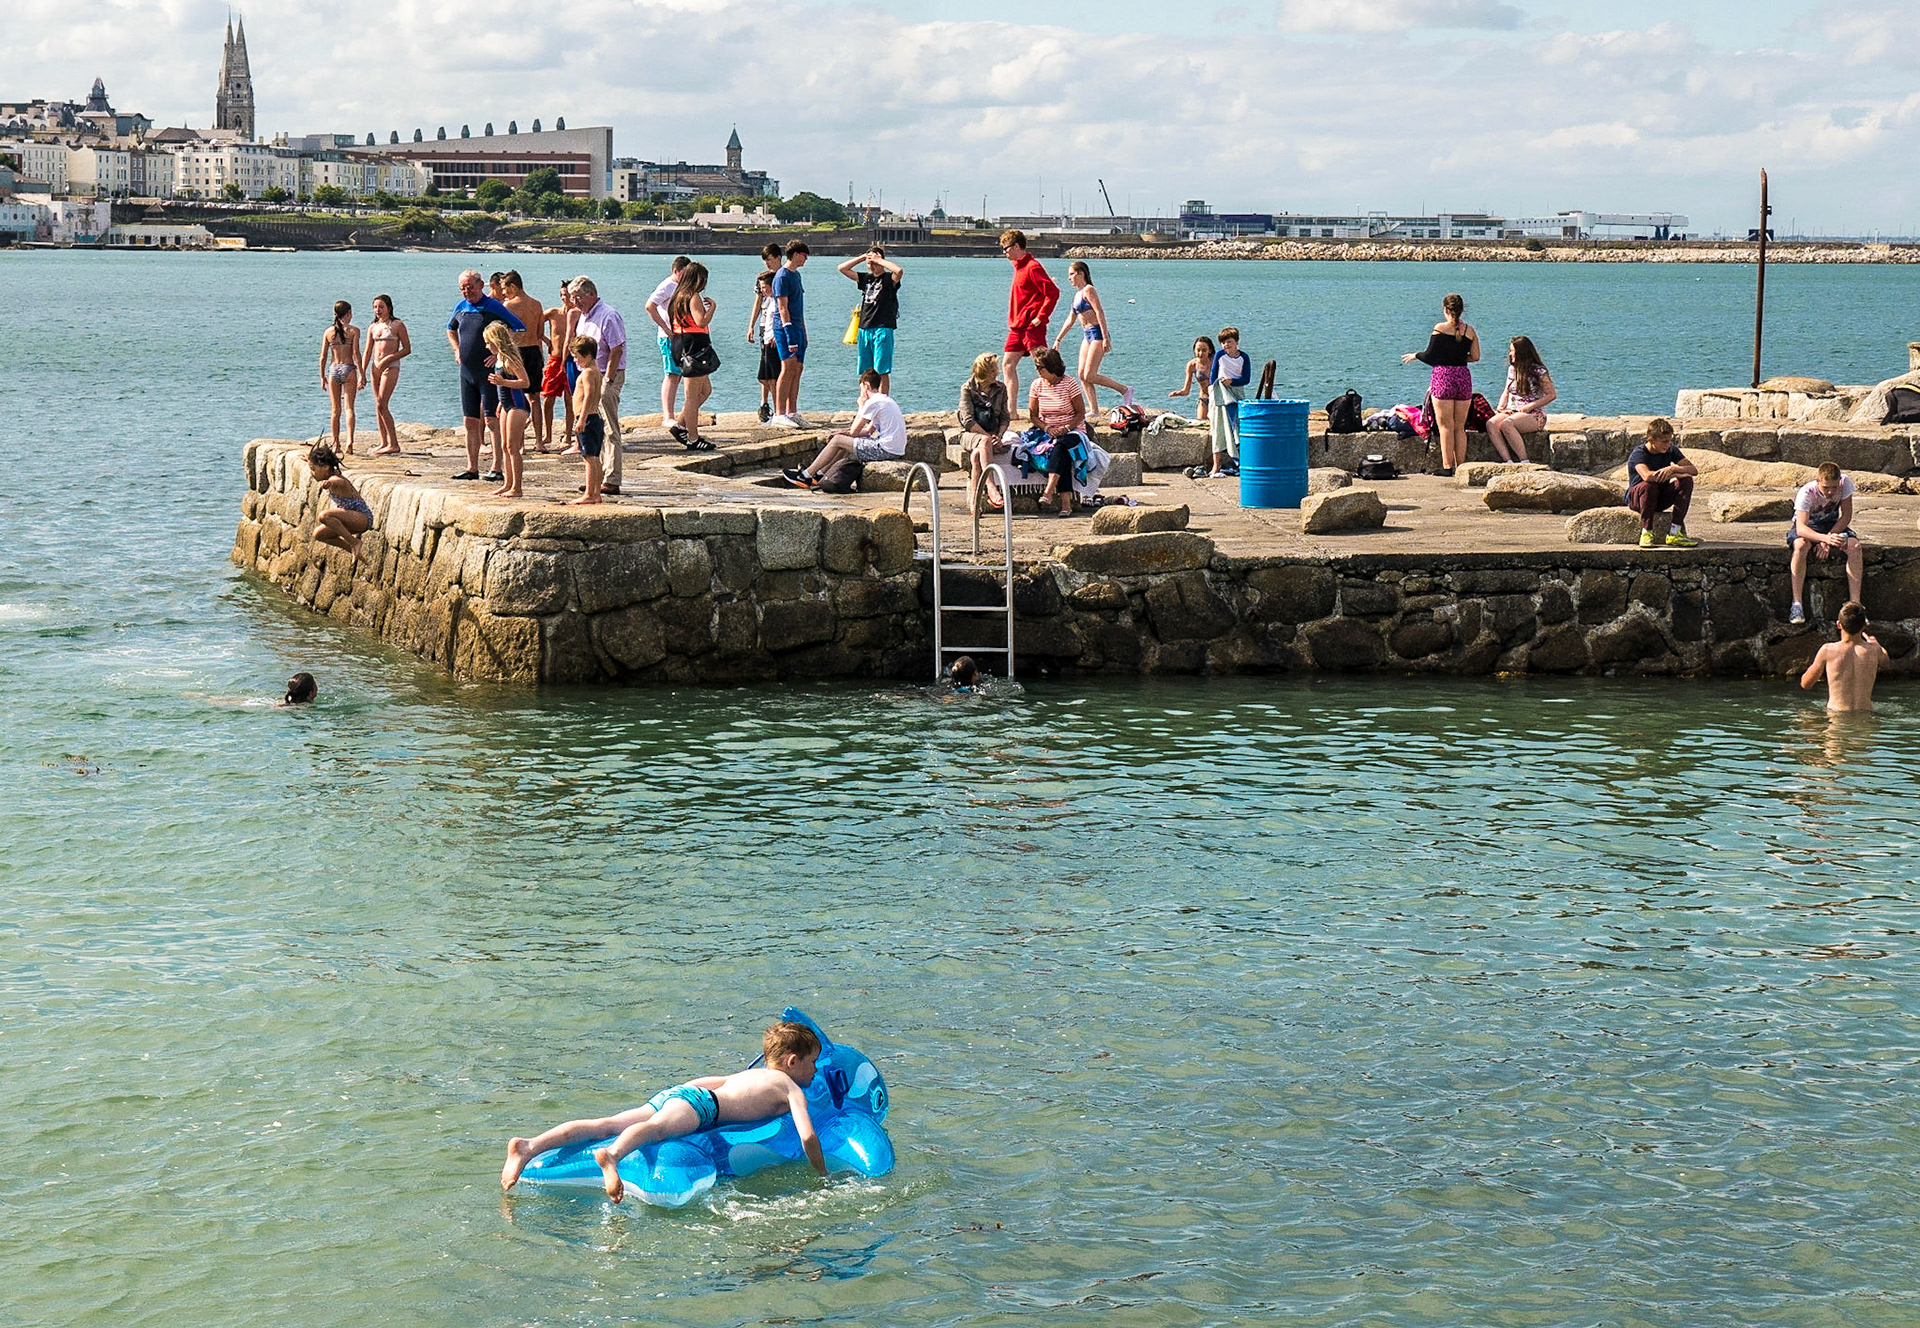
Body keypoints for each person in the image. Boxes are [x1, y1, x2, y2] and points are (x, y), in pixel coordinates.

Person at [499, 1020, 828, 1201]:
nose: (815, 1070)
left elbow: (714, 1081)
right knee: (656, 1130)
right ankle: (612, 1156)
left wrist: (679, 1095)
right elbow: (808, 1136)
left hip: (684, 1092)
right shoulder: (789, 1086)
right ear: (792, 1062)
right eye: (812, 1062)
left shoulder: (751, 1075)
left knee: (606, 1123)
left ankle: (529, 1146)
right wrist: (821, 1174)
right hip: (702, 1107)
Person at [446, 269, 525, 481]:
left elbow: (518, 328)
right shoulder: (461, 307)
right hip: (467, 373)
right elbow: (450, 329)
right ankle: (472, 468)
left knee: (491, 419)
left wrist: (499, 353)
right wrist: (456, 349)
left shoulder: (493, 306)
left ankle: (497, 467)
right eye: (463, 288)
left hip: (488, 373)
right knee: (470, 420)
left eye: (470, 287)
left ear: (481, 285)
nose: (467, 291)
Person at [784, 370, 906, 488]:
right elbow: (868, 431)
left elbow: (854, 432)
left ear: (866, 385)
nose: (861, 393)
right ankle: (820, 474)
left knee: (838, 441)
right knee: (842, 441)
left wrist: (861, 406)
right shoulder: (885, 400)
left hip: (884, 450)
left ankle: (805, 476)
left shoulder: (873, 402)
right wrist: (843, 434)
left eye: (861, 389)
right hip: (894, 450)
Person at [1402, 293, 1479, 475]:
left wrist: (1416, 355)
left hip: (1443, 377)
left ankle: (1447, 467)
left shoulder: (1440, 328)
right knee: (1460, 427)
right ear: (1462, 310)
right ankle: (1461, 467)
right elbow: (1475, 356)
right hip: (1463, 377)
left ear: (1445, 309)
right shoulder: (1470, 331)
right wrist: (1459, 358)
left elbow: (1430, 355)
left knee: (1445, 426)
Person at [569, 276, 627, 495]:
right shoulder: (584, 317)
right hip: (589, 375)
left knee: (609, 428)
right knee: (595, 428)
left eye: (578, 297)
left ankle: (612, 478)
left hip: (606, 375)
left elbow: (616, 349)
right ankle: (596, 478)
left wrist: (608, 380)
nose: (575, 302)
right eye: (573, 298)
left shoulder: (608, 315)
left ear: (591, 294)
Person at [1052, 261, 1133, 413]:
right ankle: (1094, 411)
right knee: (1082, 375)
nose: (1069, 278)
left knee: (1090, 374)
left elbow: (1099, 312)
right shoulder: (1077, 295)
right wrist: (1058, 339)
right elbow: (1070, 319)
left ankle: (1124, 389)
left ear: (1081, 274)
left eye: (1072, 274)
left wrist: (1105, 337)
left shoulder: (1089, 290)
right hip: (1086, 335)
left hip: (1097, 334)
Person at [1789, 461, 1864, 624]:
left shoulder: (1845, 483)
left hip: (1832, 525)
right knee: (1800, 546)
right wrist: (1824, 539)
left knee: (1855, 547)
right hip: (1810, 526)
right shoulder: (1806, 492)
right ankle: (1797, 604)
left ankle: (1855, 605)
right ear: (1818, 481)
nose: (1830, 492)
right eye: (1826, 488)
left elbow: (1846, 516)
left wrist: (1829, 538)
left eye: (1834, 488)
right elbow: (1801, 528)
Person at [999, 230, 1058, 411]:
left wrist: (1041, 317)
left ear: (1016, 246)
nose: (1004, 252)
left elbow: (1053, 292)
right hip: (1017, 327)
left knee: (1043, 367)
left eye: (1006, 248)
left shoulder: (1033, 267)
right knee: (1007, 364)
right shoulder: (1019, 268)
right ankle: (1011, 411)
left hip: (1032, 327)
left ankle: (1053, 406)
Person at [1028, 347, 1091, 517]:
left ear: (1051, 367)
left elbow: (1080, 413)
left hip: (1072, 430)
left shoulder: (1069, 384)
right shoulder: (1037, 385)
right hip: (1048, 430)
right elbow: (1033, 416)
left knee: (1063, 445)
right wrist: (1047, 428)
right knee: (1061, 451)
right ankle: (1065, 504)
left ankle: (1049, 491)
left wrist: (1066, 428)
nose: (1037, 370)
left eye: (1040, 367)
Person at [1623, 417, 1701, 548]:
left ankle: (1675, 532)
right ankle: (1646, 532)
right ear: (1651, 440)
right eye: (1664, 441)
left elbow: (1693, 470)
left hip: (1660, 498)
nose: (1668, 444)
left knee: (1686, 480)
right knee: (1649, 486)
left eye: (1669, 440)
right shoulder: (1639, 453)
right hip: (1639, 499)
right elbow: (1647, 476)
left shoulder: (1671, 450)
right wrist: (1674, 474)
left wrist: (1673, 469)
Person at [837, 245, 903, 397]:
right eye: (869, 263)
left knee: (882, 370)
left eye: (874, 262)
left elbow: (899, 271)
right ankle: (865, 400)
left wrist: (879, 260)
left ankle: (883, 402)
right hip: (865, 328)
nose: (872, 265)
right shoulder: (866, 279)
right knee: (865, 371)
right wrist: (863, 257)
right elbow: (842, 268)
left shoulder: (889, 279)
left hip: (882, 328)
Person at [1800, 601, 1888, 711]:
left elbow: (1805, 684)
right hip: (1865, 713)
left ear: (1839, 624)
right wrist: (1877, 644)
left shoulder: (1828, 650)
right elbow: (1886, 662)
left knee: (1804, 717)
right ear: (1864, 626)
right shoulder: (1874, 650)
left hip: (1836, 714)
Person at [668, 262, 718, 452]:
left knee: (705, 390)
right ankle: (693, 438)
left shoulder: (678, 296)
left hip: (682, 344)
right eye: (703, 279)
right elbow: (701, 321)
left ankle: (680, 425)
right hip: (693, 347)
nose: (705, 284)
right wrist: (712, 308)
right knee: (692, 396)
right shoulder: (692, 296)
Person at [497, 271, 549, 452]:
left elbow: (504, 334)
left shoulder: (508, 306)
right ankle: (539, 441)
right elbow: (539, 333)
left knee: (516, 398)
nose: (503, 293)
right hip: (534, 350)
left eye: (505, 289)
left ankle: (520, 444)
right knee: (535, 399)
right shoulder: (536, 304)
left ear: (513, 287)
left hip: (516, 352)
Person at [1487, 335, 1555, 463]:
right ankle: (1508, 461)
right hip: (1513, 410)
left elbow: (1551, 395)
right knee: (1491, 424)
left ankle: (1524, 460)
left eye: (1513, 351)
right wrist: (1501, 408)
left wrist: (1530, 406)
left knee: (1507, 424)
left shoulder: (1539, 371)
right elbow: (1506, 391)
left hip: (1534, 415)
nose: (1510, 354)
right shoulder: (1512, 370)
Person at [483, 321, 532, 498]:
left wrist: (503, 382)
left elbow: (525, 382)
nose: (487, 346)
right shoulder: (498, 359)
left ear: (496, 341)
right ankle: (507, 483)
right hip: (505, 404)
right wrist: (500, 403)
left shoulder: (511, 358)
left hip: (518, 405)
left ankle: (517, 488)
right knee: (504, 446)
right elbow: (502, 388)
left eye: (488, 343)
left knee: (512, 446)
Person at [959, 352, 1013, 509]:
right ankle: (991, 487)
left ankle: (974, 503)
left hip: (993, 435)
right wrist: (988, 437)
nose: (997, 373)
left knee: (977, 456)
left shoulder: (1001, 389)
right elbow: (968, 421)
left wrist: (999, 436)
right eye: (993, 370)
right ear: (983, 372)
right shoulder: (968, 389)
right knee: (984, 441)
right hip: (971, 434)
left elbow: (1005, 417)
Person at [645, 256, 691, 437]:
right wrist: (665, 328)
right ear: (676, 271)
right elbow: (650, 306)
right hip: (668, 336)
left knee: (679, 374)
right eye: (684, 274)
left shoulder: (683, 286)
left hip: (682, 335)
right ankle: (668, 416)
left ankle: (679, 414)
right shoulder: (666, 286)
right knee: (671, 374)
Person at [360, 294, 410, 456]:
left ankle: (394, 444)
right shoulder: (373, 327)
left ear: (389, 307)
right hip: (375, 368)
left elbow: (407, 349)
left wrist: (389, 358)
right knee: (378, 405)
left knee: (382, 403)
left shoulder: (397, 325)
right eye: (375, 307)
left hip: (390, 367)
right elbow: (367, 351)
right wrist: (362, 373)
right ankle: (383, 441)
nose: (378, 310)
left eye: (381, 307)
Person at [307, 443, 371, 559]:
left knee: (324, 516)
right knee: (319, 534)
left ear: (325, 467)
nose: (312, 473)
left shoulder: (335, 478)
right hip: (348, 519)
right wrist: (308, 458)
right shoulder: (332, 472)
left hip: (362, 518)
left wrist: (330, 483)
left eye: (313, 469)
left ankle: (354, 542)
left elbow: (339, 481)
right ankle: (353, 550)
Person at [771, 240, 811, 427]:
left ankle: (792, 411)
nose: (806, 259)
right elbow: (782, 307)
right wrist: (789, 334)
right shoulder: (782, 276)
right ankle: (779, 414)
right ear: (795, 254)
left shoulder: (797, 275)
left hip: (797, 327)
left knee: (798, 368)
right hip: (784, 328)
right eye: (804, 255)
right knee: (787, 367)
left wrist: (803, 331)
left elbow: (798, 306)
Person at [1206, 328, 1251, 478]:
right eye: (1223, 342)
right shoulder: (1220, 355)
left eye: (1229, 341)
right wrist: (1214, 391)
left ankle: (1240, 462)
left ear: (1236, 342)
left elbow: (1246, 379)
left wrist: (1232, 381)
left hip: (1236, 393)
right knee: (1218, 428)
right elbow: (1213, 377)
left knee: (1237, 427)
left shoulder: (1244, 357)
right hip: (1220, 394)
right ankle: (1216, 465)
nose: (1226, 345)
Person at [318, 300, 360, 456]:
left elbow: (323, 356)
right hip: (349, 369)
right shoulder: (354, 331)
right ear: (348, 313)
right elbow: (356, 353)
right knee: (349, 408)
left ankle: (336, 444)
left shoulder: (328, 332)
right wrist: (362, 374)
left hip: (334, 369)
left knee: (335, 410)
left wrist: (322, 376)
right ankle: (349, 441)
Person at [567, 336, 605, 505]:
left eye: (577, 357)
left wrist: (581, 419)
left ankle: (590, 493)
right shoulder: (596, 370)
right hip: (594, 417)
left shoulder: (588, 372)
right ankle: (596, 493)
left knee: (589, 457)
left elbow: (589, 395)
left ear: (588, 355)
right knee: (594, 456)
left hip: (588, 418)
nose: (575, 360)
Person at [541, 283, 578, 455]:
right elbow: (534, 323)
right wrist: (546, 340)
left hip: (572, 359)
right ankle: (547, 434)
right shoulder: (553, 313)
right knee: (548, 397)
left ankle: (568, 435)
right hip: (555, 359)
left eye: (568, 295)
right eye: (562, 295)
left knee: (570, 399)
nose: (565, 298)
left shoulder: (578, 314)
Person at [748, 270, 780, 423]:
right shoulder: (769, 300)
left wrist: (777, 335)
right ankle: (771, 405)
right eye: (760, 288)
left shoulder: (778, 300)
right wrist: (751, 326)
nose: (762, 291)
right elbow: (758, 304)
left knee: (773, 377)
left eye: (764, 287)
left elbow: (783, 318)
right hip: (766, 338)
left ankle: (779, 409)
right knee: (763, 377)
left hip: (773, 341)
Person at [1168, 335, 1214, 424]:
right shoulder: (1192, 365)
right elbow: (1186, 390)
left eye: (1204, 350)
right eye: (1198, 350)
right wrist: (1179, 393)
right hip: (1204, 399)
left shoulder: (1216, 362)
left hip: (1217, 399)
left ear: (1210, 350)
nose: (1200, 353)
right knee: (1202, 425)